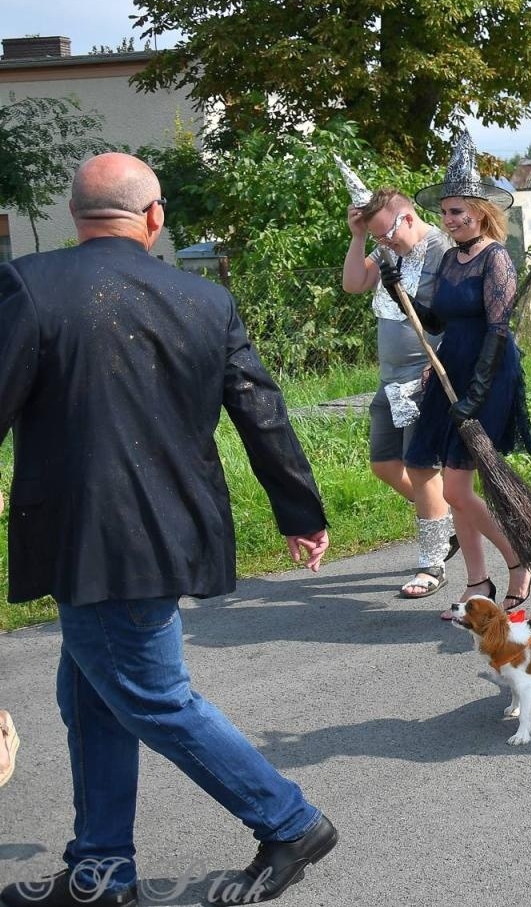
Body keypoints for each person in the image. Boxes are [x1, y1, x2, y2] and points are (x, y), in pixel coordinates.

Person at [0, 153, 336, 907]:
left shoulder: (30, 284)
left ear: (73, 215)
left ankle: (289, 820)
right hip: (168, 530)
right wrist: (300, 512)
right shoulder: (205, 299)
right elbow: (263, 412)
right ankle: (100, 870)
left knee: (150, 695)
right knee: (91, 695)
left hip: (83, 537)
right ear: (153, 217)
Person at [398, 129, 531, 619]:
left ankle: (519, 561)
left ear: (480, 212)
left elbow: (498, 330)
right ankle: (478, 582)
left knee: (456, 488)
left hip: (488, 376)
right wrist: (404, 295)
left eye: (458, 211)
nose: (449, 219)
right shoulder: (449, 261)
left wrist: (476, 394)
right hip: (449, 371)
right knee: (454, 487)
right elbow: (436, 322)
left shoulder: (495, 257)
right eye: (445, 212)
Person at [339, 172, 458, 598]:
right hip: (389, 381)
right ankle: (446, 522)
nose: (382, 244)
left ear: (406, 218)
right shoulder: (387, 248)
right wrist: (358, 238)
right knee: (384, 464)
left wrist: (445, 362)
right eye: (376, 238)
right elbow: (354, 284)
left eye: (385, 235)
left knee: (422, 466)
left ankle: (432, 563)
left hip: (425, 378)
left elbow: (461, 317)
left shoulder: (444, 252)